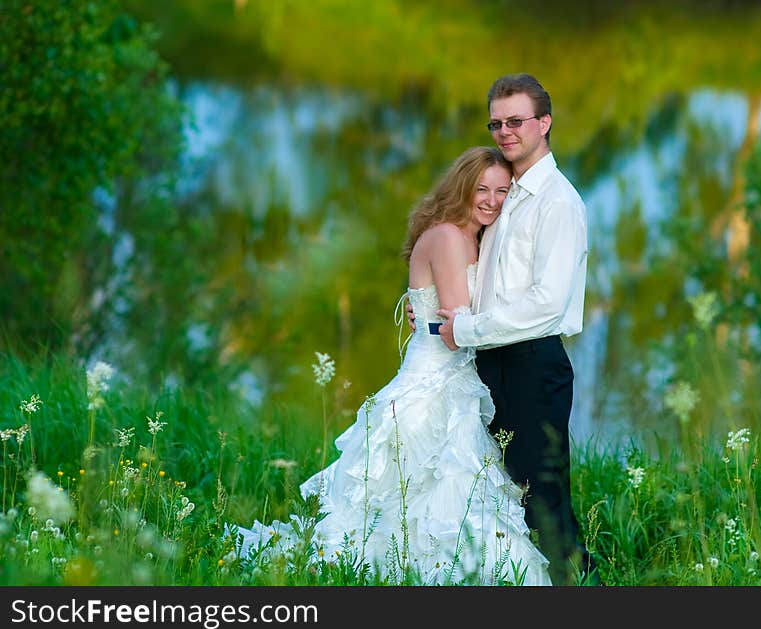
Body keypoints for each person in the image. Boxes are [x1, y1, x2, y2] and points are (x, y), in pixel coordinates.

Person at [227, 146, 552, 586]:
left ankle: (446, 564)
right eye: (482, 189)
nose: (492, 200)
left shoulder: (471, 236)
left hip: (457, 370)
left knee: (448, 476)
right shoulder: (448, 237)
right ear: (462, 187)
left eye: (501, 190)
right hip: (434, 374)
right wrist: (528, 309)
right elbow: (461, 318)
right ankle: (418, 565)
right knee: (423, 474)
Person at [429, 74, 594, 585]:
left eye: (516, 121)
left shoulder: (558, 203)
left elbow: (547, 305)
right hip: (491, 360)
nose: (504, 131)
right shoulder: (506, 194)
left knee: (541, 488)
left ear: (544, 123)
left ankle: (579, 583)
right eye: (496, 122)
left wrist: (469, 329)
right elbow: (485, 282)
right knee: (500, 487)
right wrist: (436, 315)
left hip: (533, 361)